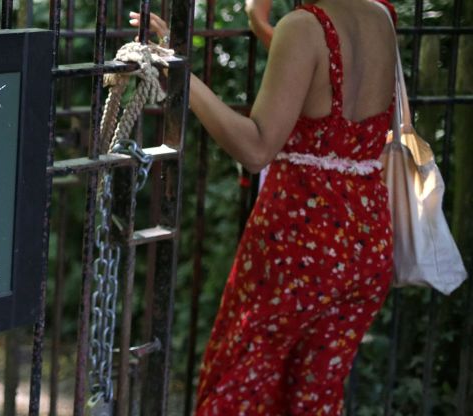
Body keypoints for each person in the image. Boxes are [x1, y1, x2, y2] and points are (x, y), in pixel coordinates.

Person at [132, 0, 396, 414]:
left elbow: (256, 148)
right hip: (367, 242)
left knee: (241, 386)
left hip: (302, 242)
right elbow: (324, 83)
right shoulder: (380, 16)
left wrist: (178, 70)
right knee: (314, 397)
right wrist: (261, 25)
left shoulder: (303, 27)